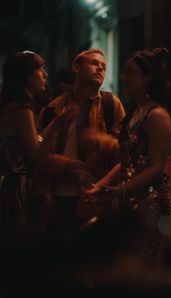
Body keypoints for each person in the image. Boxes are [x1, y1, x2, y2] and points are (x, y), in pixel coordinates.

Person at [83, 48, 171, 266]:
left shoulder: (157, 115)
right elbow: (126, 161)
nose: (123, 78)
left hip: (151, 203)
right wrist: (101, 185)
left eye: (130, 72)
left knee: (144, 268)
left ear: (147, 78)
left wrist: (120, 190)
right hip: (129, 201)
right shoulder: (133, 115)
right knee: (126, 267)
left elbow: (156, 167)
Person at [38, 48, 125, 238]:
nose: (100, 68)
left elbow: (125, 153)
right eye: (94, 63)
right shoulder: (53, 109)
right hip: (59, 197)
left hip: (97, 196)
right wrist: (68, 165)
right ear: (76, 67)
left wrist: (103, 142)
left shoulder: (111, 104)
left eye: (104, 66)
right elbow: (38, 154)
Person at [0, 51, 75, 241]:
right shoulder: (21, 109)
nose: (45, 74)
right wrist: (58, 124)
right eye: (39, 69)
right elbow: (36, 155)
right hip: (17, 187)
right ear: (26, 76)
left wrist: (57, 121)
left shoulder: (14, 106)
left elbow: (35, 140)